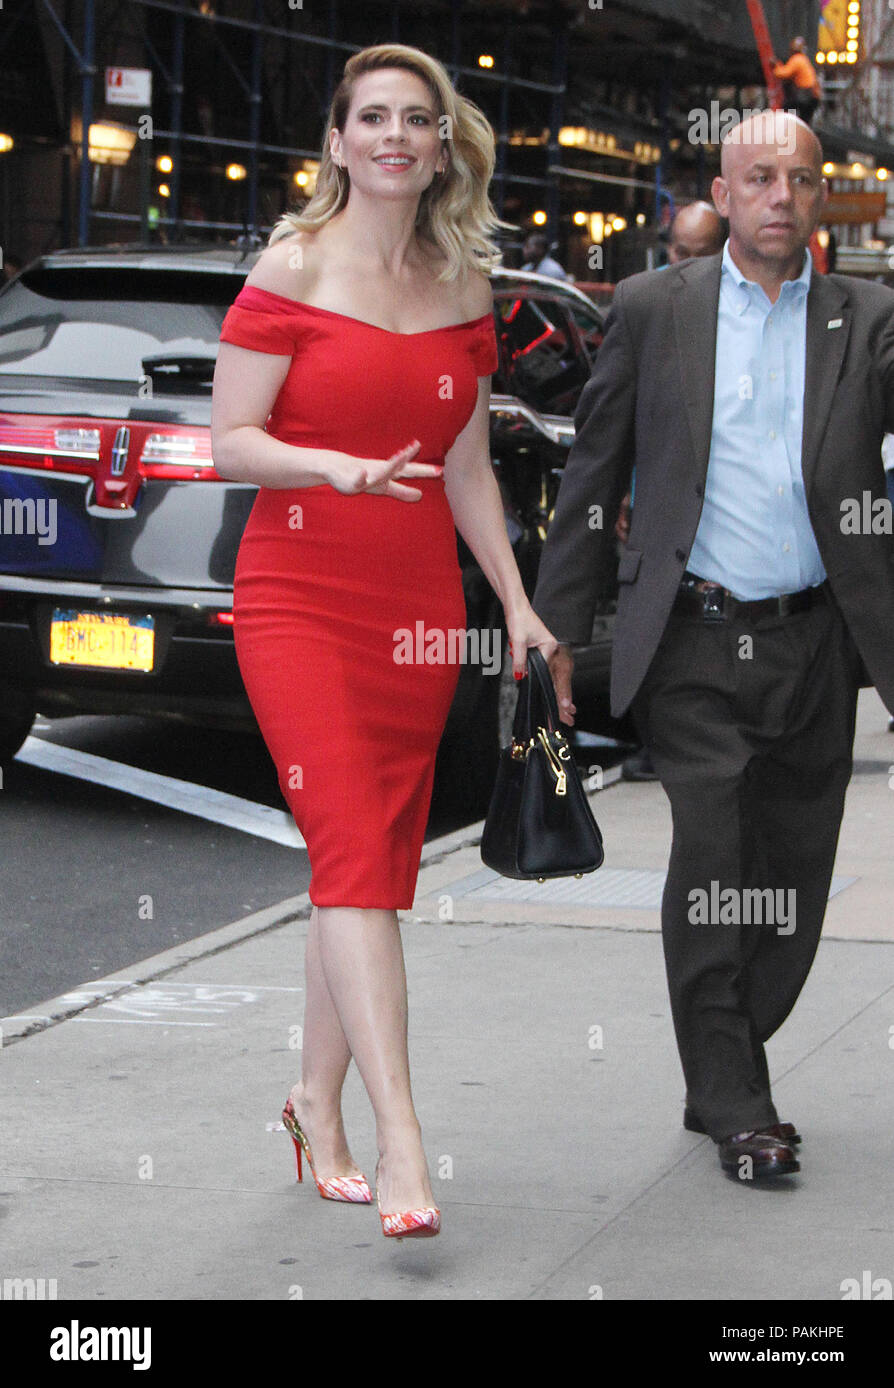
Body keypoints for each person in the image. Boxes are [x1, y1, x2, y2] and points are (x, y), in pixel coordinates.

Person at [211, 42, 556, 1238]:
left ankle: (314, 1097)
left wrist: (514, 598)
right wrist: (332, 466)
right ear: (340, 142)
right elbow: (231, 443)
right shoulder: (293, 263)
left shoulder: (464, 281)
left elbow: (467, 464)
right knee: (354, 847)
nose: (398, 135)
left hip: (418, 608)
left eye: (419, 117)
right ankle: (405, 1137)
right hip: (300, 589)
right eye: (374, 117)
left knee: (361, 871)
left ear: (442, 143)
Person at [534, 110, 894, 1181]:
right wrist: (557, 630)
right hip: (693, 634)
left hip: (818, 642)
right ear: (725, 194)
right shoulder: (656, 309)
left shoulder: (867, 317)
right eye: (760, 177)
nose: (782, 194)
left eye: (802, 178)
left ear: (820, 195)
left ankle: (723, 1060)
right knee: (712, 860)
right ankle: (738, 1097)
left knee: (790, 884)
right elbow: (593, 475)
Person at [617, 200, 726, 780]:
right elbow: (621, 418)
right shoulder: (647, 307)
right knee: (653, 623)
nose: (682, 264)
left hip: (714, 511)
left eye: (697, 253)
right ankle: (655, 742)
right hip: (656, 502)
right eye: (677, 251)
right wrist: (625, 493)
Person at [773, 37, 822, 127]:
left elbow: (783, 74)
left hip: (805, 95)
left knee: (786, 107)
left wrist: (775, 65)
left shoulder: (796, 59)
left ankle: (783, 127)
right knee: (805, 121)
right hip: (813, 97)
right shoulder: (804, 59)